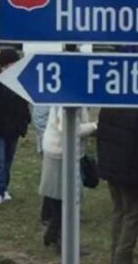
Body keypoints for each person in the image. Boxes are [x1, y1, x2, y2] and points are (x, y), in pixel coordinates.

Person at [97, 107, 138, 264]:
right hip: (133, 169)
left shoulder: (108, 105)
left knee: (119, 212)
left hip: (111, 166)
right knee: (132, 216)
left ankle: (115, 257)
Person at [40, 106, 97, 253]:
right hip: (62, 154)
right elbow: (68, 128)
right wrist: (94, 126)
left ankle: (52, 235)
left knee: (60, 200)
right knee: (68, 201)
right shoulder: (68, 101)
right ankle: (64, 244)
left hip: (59, 151)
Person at [0, 48, 30, 204]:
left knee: (8, 160)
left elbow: (24, 104)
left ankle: (4, 188)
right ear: (4, 65)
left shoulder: (20, 81)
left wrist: (24, 122)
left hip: (14, 128)